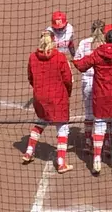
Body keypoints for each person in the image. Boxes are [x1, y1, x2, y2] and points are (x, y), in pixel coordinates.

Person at [72, 27, 112, 174]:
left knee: (100, 127)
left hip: (101, 97)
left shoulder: (98, 53)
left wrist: (72, 60)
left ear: (106, 39)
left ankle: (96, 161)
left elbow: (81, 66)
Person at [23, 30, 73, 174]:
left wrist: (39, 90)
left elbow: (30, 77)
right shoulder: (60, 57)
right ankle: (62, 163)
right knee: (62, 128)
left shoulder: (33, 57)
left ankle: (28, 152)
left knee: (40, 122)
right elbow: (67, 79)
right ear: (53, 41)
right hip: (57, 97)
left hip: (40, 97)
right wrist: (67, 93)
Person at [74, 20, 112, 154]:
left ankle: (88, 142)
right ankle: (108, 143)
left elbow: (77, 61)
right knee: (107, 113)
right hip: (104, 82)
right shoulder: (107, 44)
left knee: (89, 113)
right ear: (105, 31)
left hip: (87, 81)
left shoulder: (83, 43)